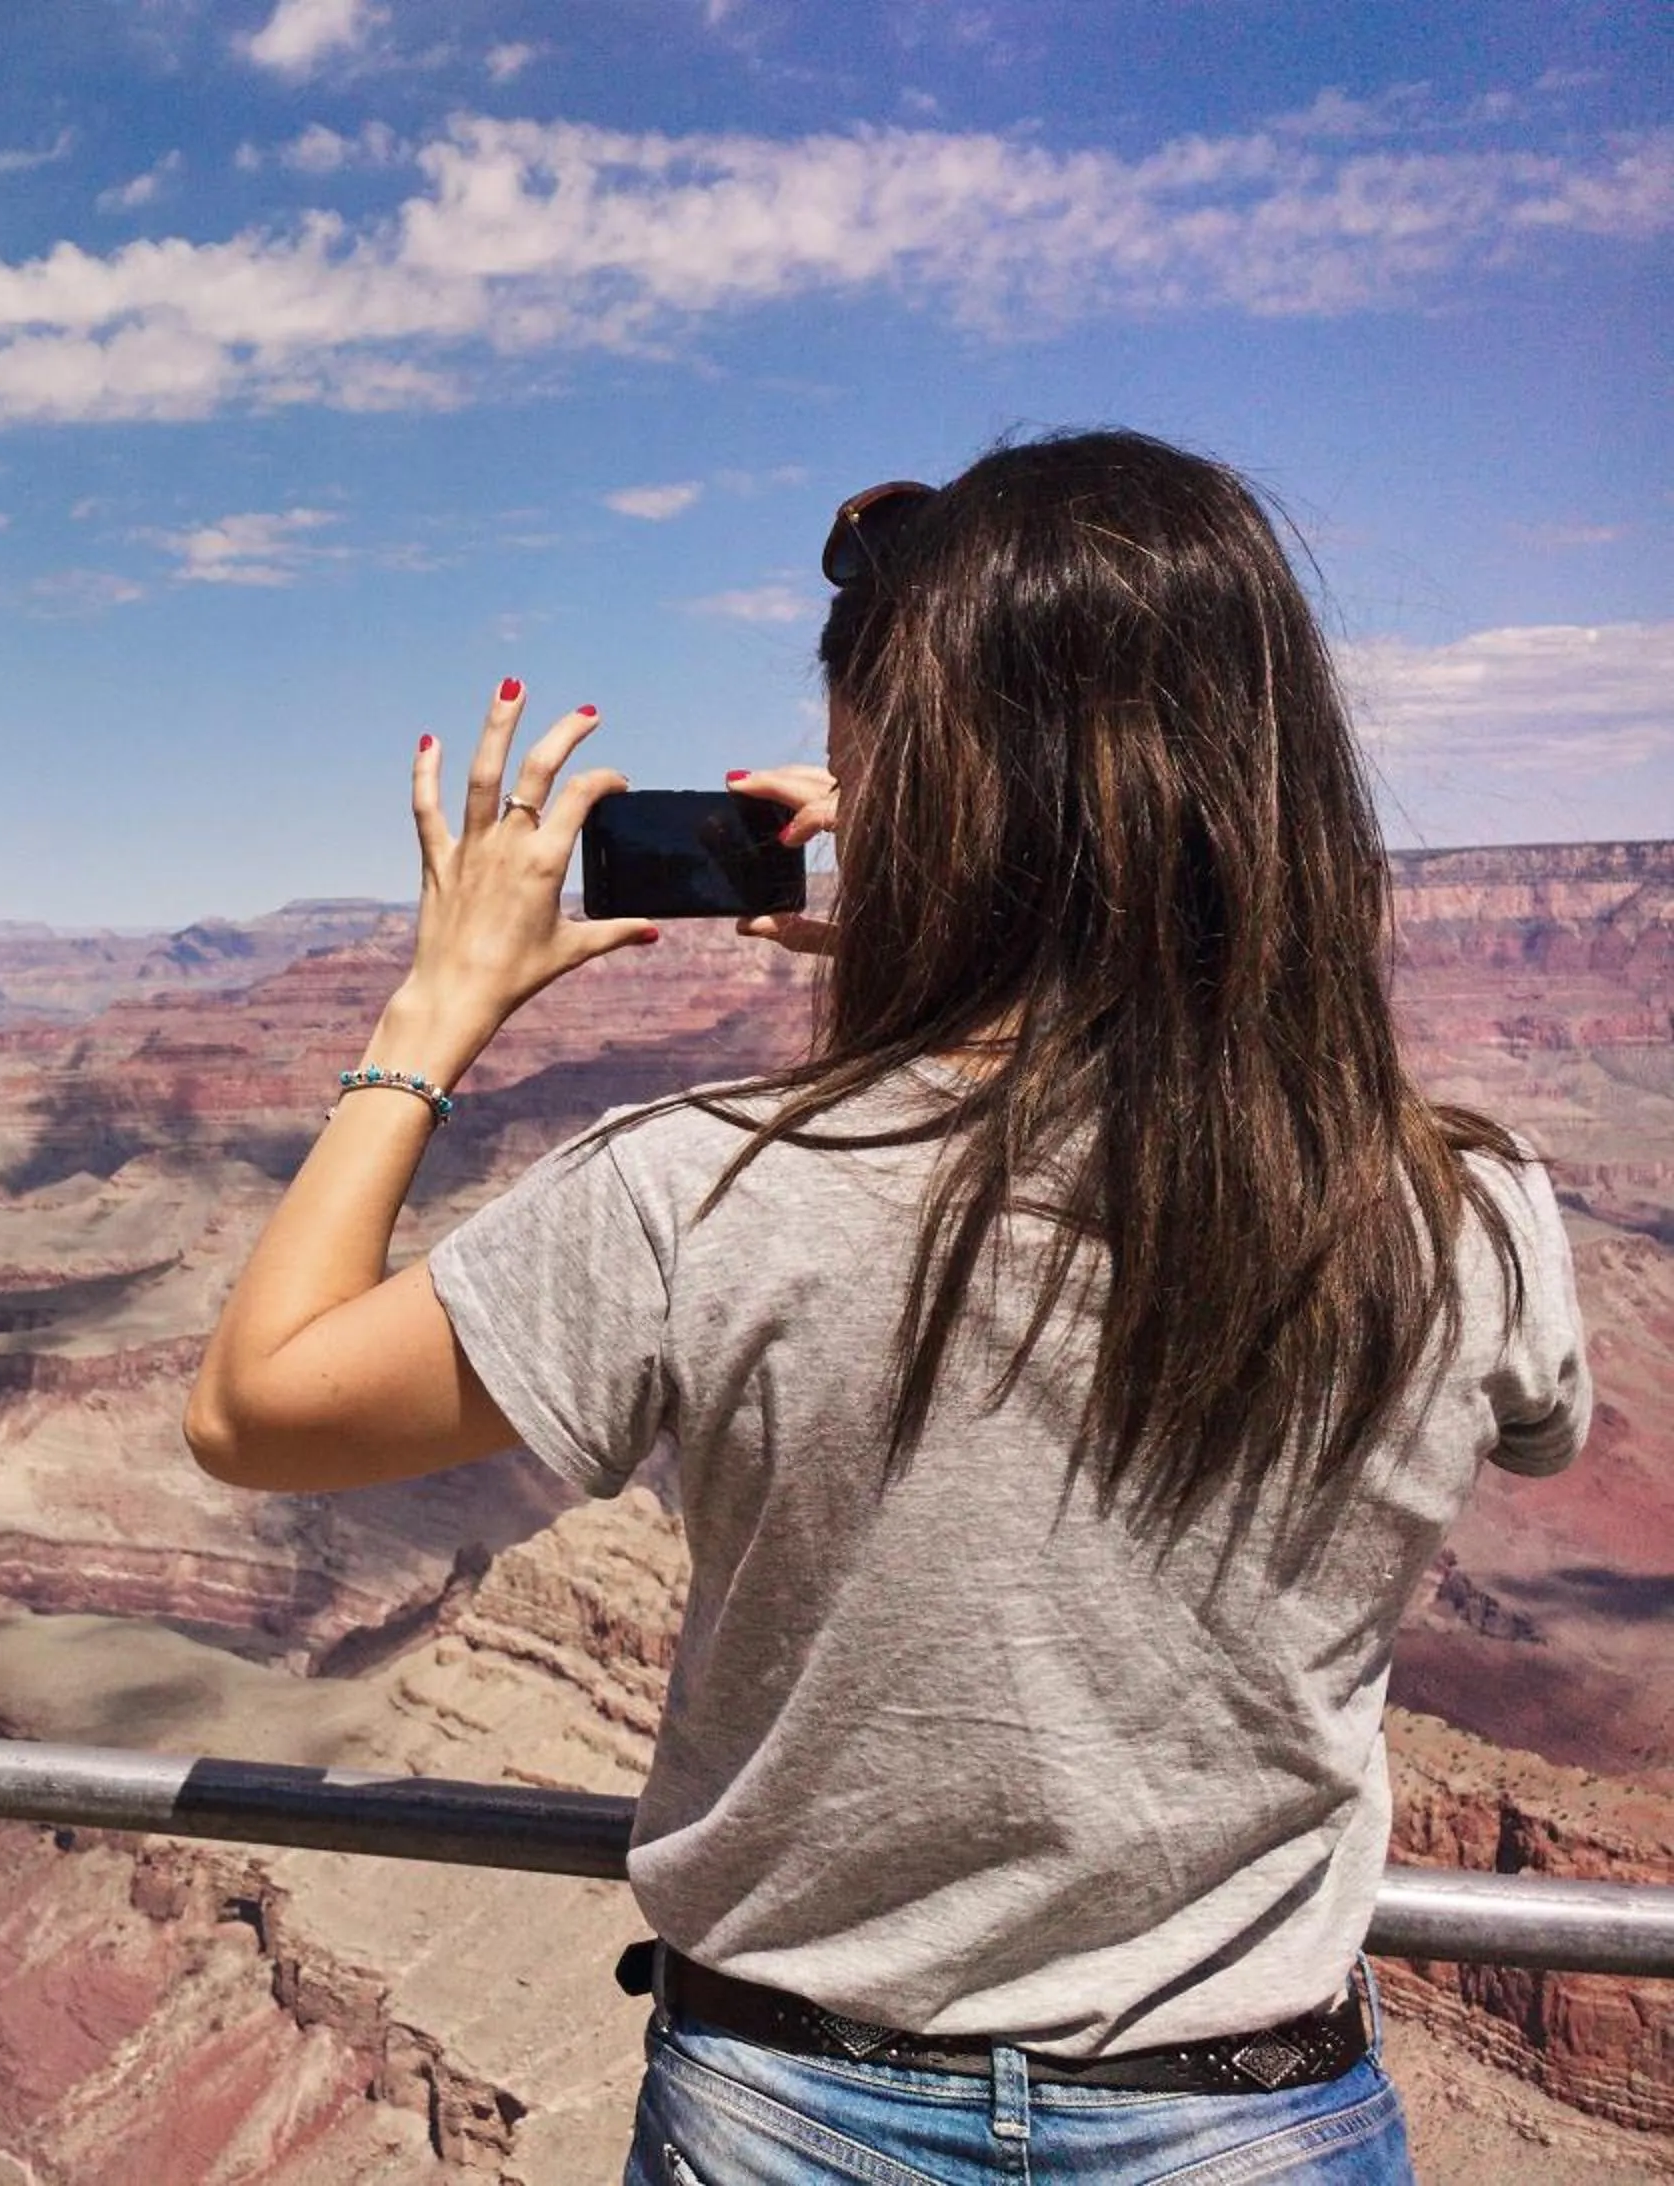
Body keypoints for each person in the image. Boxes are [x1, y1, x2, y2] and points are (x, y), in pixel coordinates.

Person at [181, 429, 1591, 2185]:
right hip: (1248, 2122)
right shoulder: (1462, 1210)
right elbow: (1531, 1411)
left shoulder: (697, 1188)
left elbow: (256, 1403)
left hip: (792, 2116)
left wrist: (435, 1008)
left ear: (899, 794)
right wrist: (1027, 959)